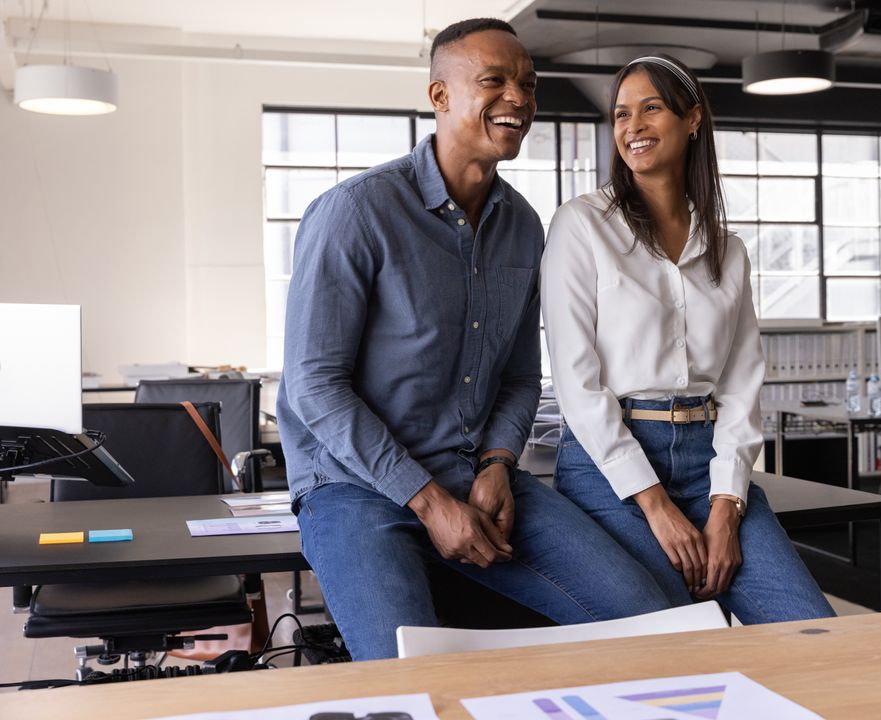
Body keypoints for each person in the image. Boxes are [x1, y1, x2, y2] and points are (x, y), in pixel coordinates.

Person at [276, 19, 670, 661]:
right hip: (352, 485)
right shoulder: (355, 213)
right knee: (408, 675)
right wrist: (429, 502)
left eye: (528, 85)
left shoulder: (522, 224)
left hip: (474, 474)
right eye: (494, 80)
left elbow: (519, 375)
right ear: (440, 96)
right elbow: (315, 386)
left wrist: (496, 464)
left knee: (651, 622)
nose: (518, 97)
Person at [541, 54, 835, 624]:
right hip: (611, 467)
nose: (632, 127)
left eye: (651, 108)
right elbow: (577, 385)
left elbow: (742, 386)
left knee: (809, 625)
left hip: (710, 465)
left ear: (692, 118)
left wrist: (726, 507)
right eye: (622, 114)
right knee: (679, 631)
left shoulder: (730, 250)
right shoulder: (581, 224)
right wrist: (655, 504)